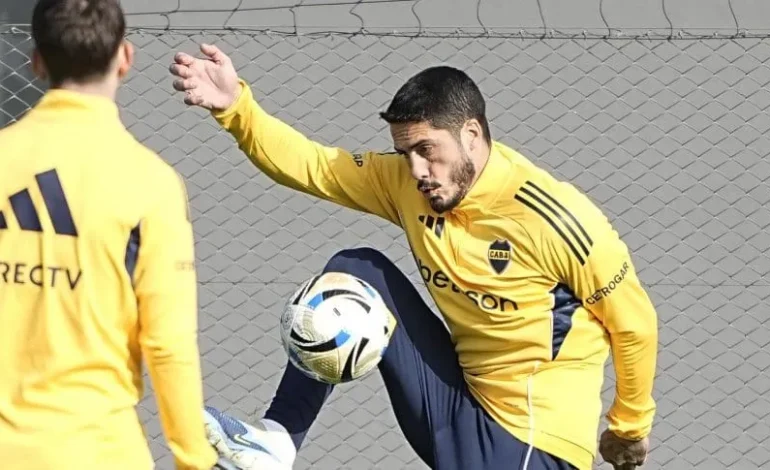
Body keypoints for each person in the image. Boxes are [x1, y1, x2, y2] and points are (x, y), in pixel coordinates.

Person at [169, 43, 659, 470]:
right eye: (405, 153)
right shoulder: (409, 183)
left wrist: (629, 427)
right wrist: (236, 108)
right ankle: (277, 441)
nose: (418, 169)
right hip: (454, 410)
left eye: (427, 149)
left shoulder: (555, 217)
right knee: (356, 270)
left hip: (533, 442)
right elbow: (314, 165)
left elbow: (634, 325)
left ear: (471, 133)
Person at [0, 1, 217, 469]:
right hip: (98, 450)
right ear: (125, 58)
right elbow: (168, 344)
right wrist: (193, 459)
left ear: (36, 61)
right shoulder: (151, 183)